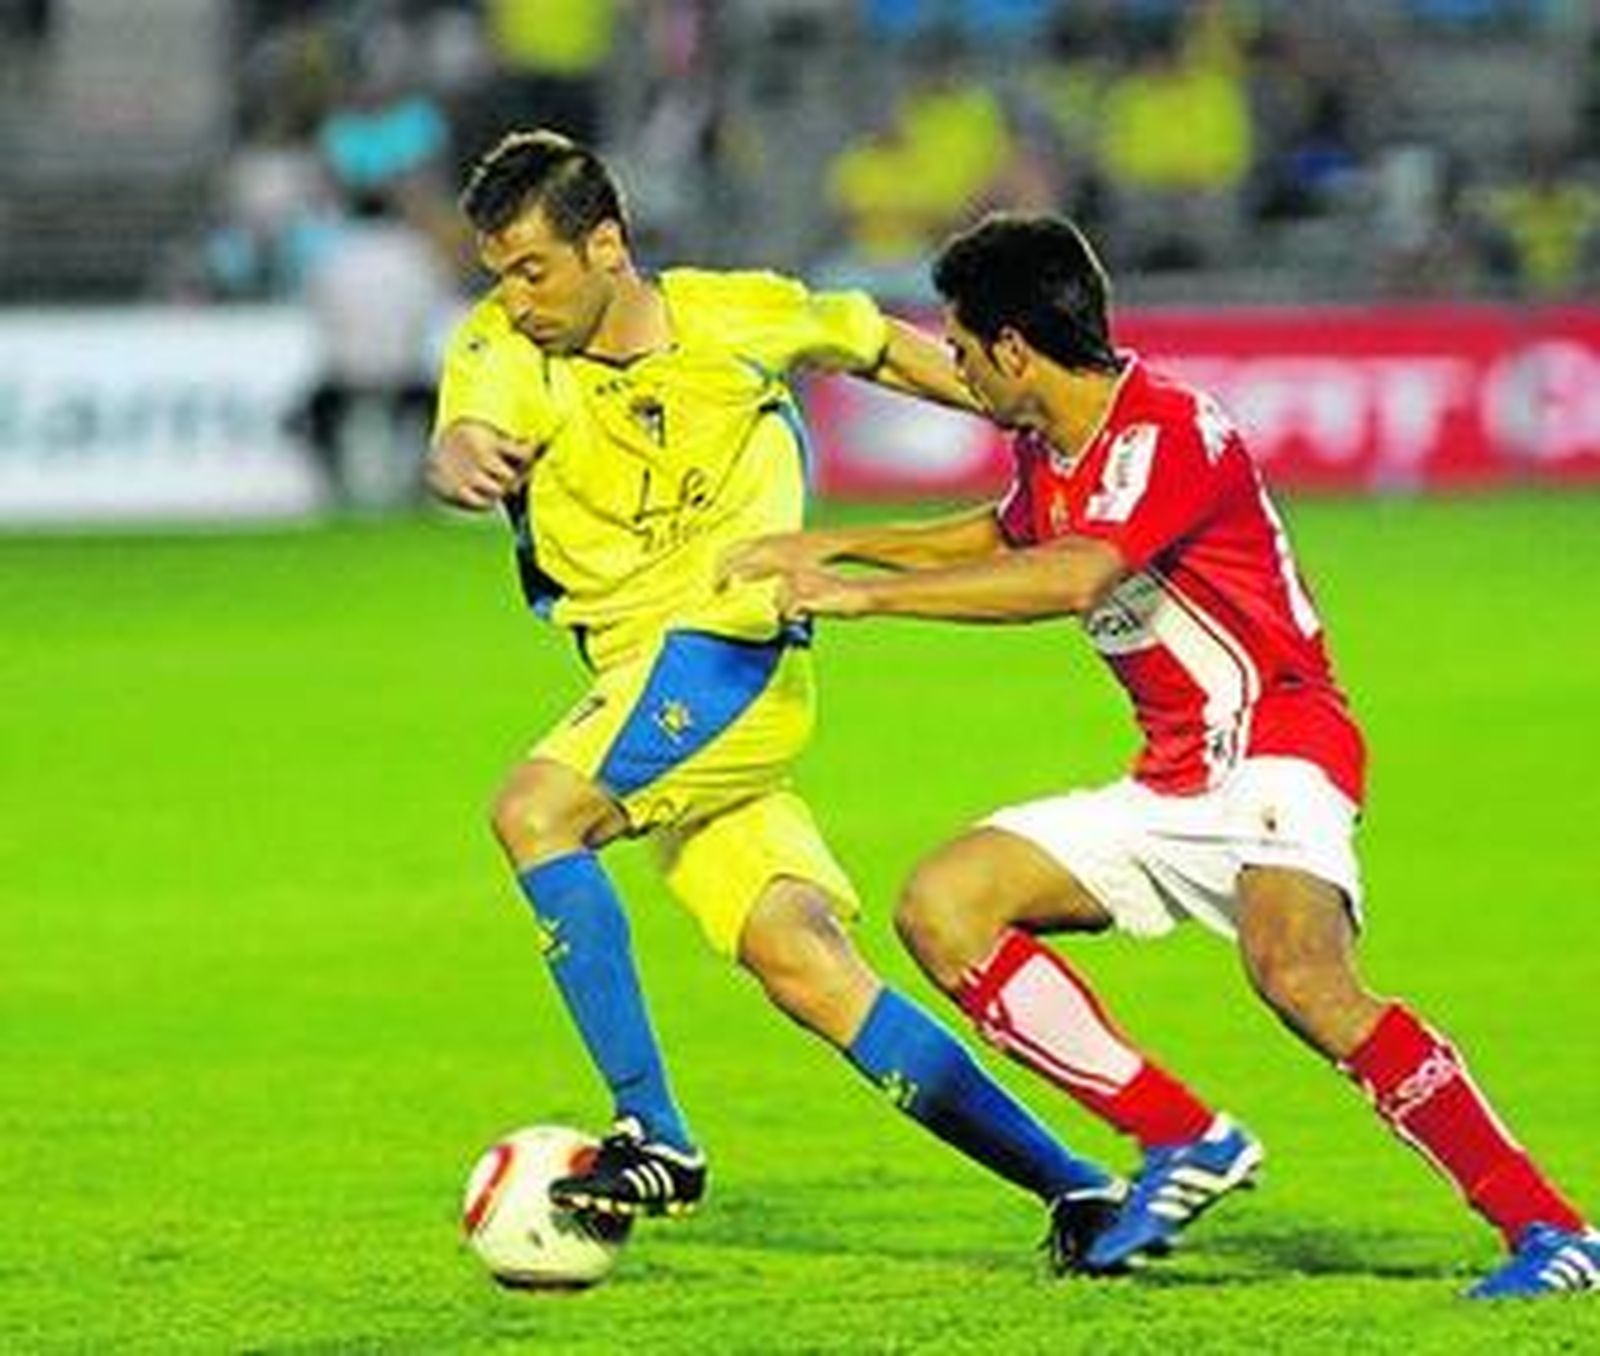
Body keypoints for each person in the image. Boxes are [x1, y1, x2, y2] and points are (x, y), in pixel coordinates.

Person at [724, 212, 1599, 1298]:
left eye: (957, 346)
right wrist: (833, 539)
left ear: (1011, 348)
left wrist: (864, 596)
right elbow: (1006, 536)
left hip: (1279, 744)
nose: (948, 368)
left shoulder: (1169, 429)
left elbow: (1069, 578)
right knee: (944, 905)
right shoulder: (1051, 447)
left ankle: (1550, 1231)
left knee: (1301, 978)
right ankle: (1182, 1137)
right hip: (1172, 773)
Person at [425, 132, 1122, 1265]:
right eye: (499, 272)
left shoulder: (731, 317)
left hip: (729, 659)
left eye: (533, 269)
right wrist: (457, 453)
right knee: (806, 964)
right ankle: (1081, 1190)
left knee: (535, 812)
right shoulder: (503, 346)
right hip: (646, 693)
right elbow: (470, 419)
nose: (515, 296)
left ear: (607, 245)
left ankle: (656, 1132)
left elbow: (872, 345)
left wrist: (1025, 409)